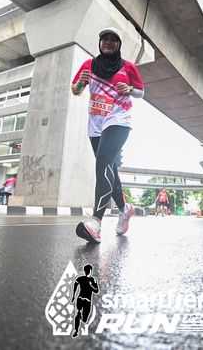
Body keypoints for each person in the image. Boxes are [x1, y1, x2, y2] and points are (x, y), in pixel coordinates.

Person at [71, 27, 144, 243]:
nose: (108, 42)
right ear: (100, 43)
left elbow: (141, 92)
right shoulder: (89, 65)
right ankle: (124, 208)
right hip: (96, 123)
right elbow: (76, 90)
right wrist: (80, 82)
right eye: (105, 39)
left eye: (113, 40)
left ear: (118, 44)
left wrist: (129, 90)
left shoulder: (127, 67)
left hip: (119, 119)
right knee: (109, 169)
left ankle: (96, 222)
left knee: (102, 163)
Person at [70, 264, 99, 338]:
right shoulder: (81, 278)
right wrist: (73, 296)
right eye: (87, 270)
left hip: (85, 301)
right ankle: (76, 330)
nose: (88, 272)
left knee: (85, 320)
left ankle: (80, 317)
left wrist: (90, 286)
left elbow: (96, 290)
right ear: (86, 271)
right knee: (78, 314)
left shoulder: (92, 280)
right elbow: (75, 285)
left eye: (88, 270)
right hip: (82, 299)